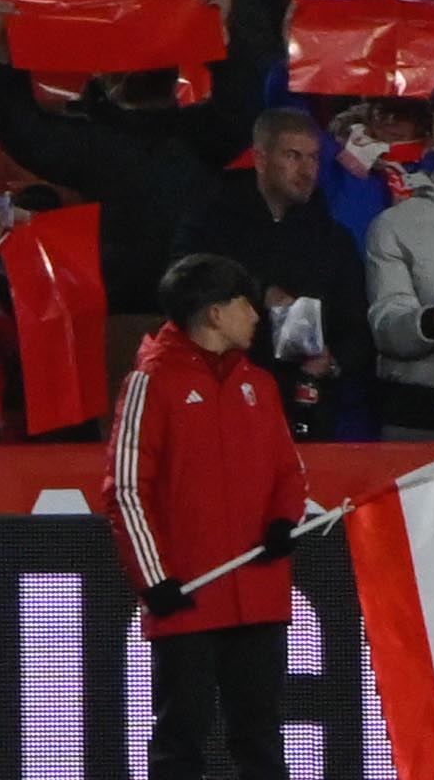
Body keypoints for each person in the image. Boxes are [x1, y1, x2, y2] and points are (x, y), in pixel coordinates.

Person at [102, 255, 305, 780]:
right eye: (245, 303)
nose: (257, 314)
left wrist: (284, 520)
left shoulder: (259, 384)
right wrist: (155, 581)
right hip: (187, 596)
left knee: (261, 738)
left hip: (258, 595)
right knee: (180, 739)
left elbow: (289, 470)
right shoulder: (150, 383)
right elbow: (125, 490)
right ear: (215, 313)